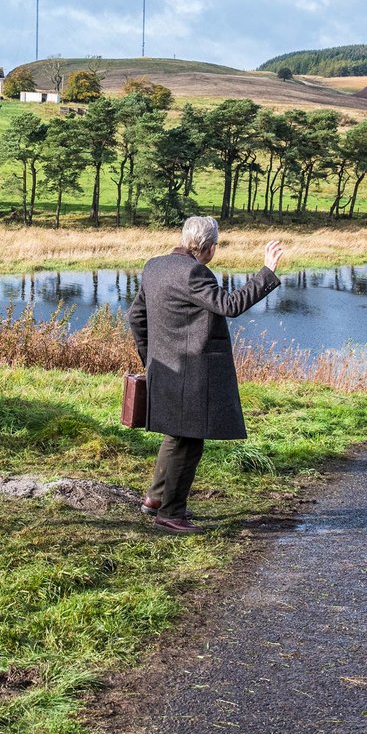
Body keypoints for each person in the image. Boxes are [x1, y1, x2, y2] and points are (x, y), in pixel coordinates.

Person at [128, 216, 285, 533]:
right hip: (191, 373)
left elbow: (135, 318)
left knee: (176, 434)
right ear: (210, 247)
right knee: (190, 442)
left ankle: (155, 499)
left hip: (165, 368)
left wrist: (152, 361)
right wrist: (267, 272)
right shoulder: (194, 272)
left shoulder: (154, 266)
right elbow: (230, 305)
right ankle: (170, 514)